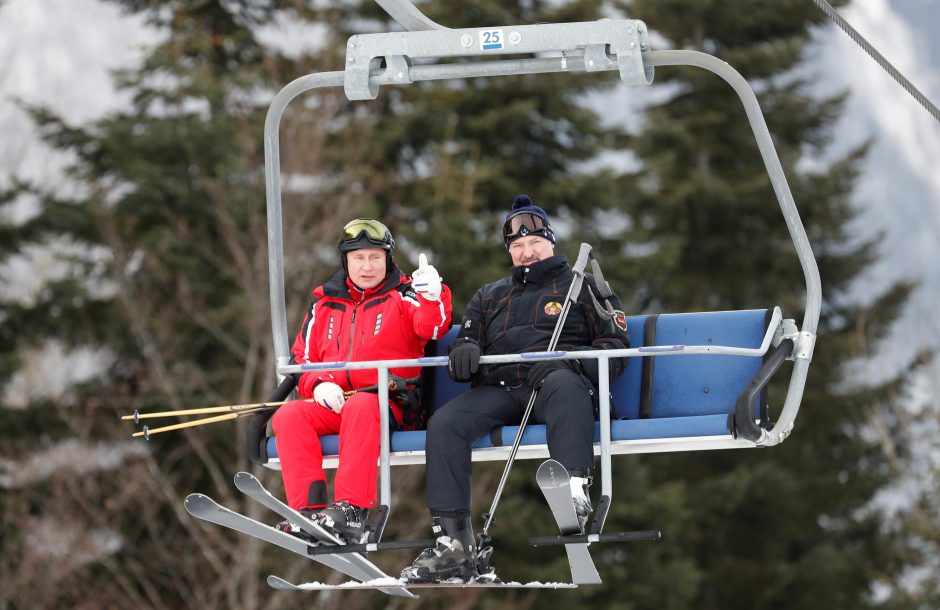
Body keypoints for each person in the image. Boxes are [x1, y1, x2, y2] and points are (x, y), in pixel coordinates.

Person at [401, 195, 630, 583]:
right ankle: (452, 542)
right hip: (504, 386)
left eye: (534, 244)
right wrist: (465, 351)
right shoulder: (490, 295)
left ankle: (574, 490)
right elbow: (465, 340)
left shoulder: (584, 286)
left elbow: (617, 348)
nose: (526, 253)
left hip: (559, 383)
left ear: (551, 243)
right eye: (517, 246)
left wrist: (574, 360)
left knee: (562, 385)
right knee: (446, 423)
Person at [272, 218, 452, 543]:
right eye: (359, 258)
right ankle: (309, 512)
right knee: (289, 414)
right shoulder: (325, 303)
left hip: (389, 403)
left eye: (375, 258)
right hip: (337, 403)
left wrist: (433, 296)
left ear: (388, 259)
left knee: (360, 406)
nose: (367, 266)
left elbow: (433, 328)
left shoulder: (404, 295)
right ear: (346, 261)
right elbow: (304, 360)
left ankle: (352, 511)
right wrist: (320, 384)